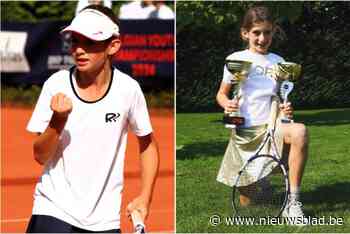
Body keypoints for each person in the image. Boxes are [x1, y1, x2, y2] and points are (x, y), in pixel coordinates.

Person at [26, 5, 159, 233]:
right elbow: (40, 155)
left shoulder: (128, 89)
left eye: (89, 43)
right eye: (75, 41)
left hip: (105, 220)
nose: (79, 50)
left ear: (113, 45)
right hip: (53, 208)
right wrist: (58, 120)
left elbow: (148, 145)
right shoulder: (56, 84)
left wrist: (145, 198)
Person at [216, 6, 309, 224]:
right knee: (250, 199)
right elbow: (221, 94)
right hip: (245, 130)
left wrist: (286, 108)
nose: (262, 38)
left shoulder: (279, 60)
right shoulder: (235, 59)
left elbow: (281, 94)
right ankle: (260, 182)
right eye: (256, 32)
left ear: (273, 32)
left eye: (267, 32)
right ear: (245, 33)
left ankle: (292, 203)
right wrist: (227, 104)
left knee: (300, 132)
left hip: (272, 125)